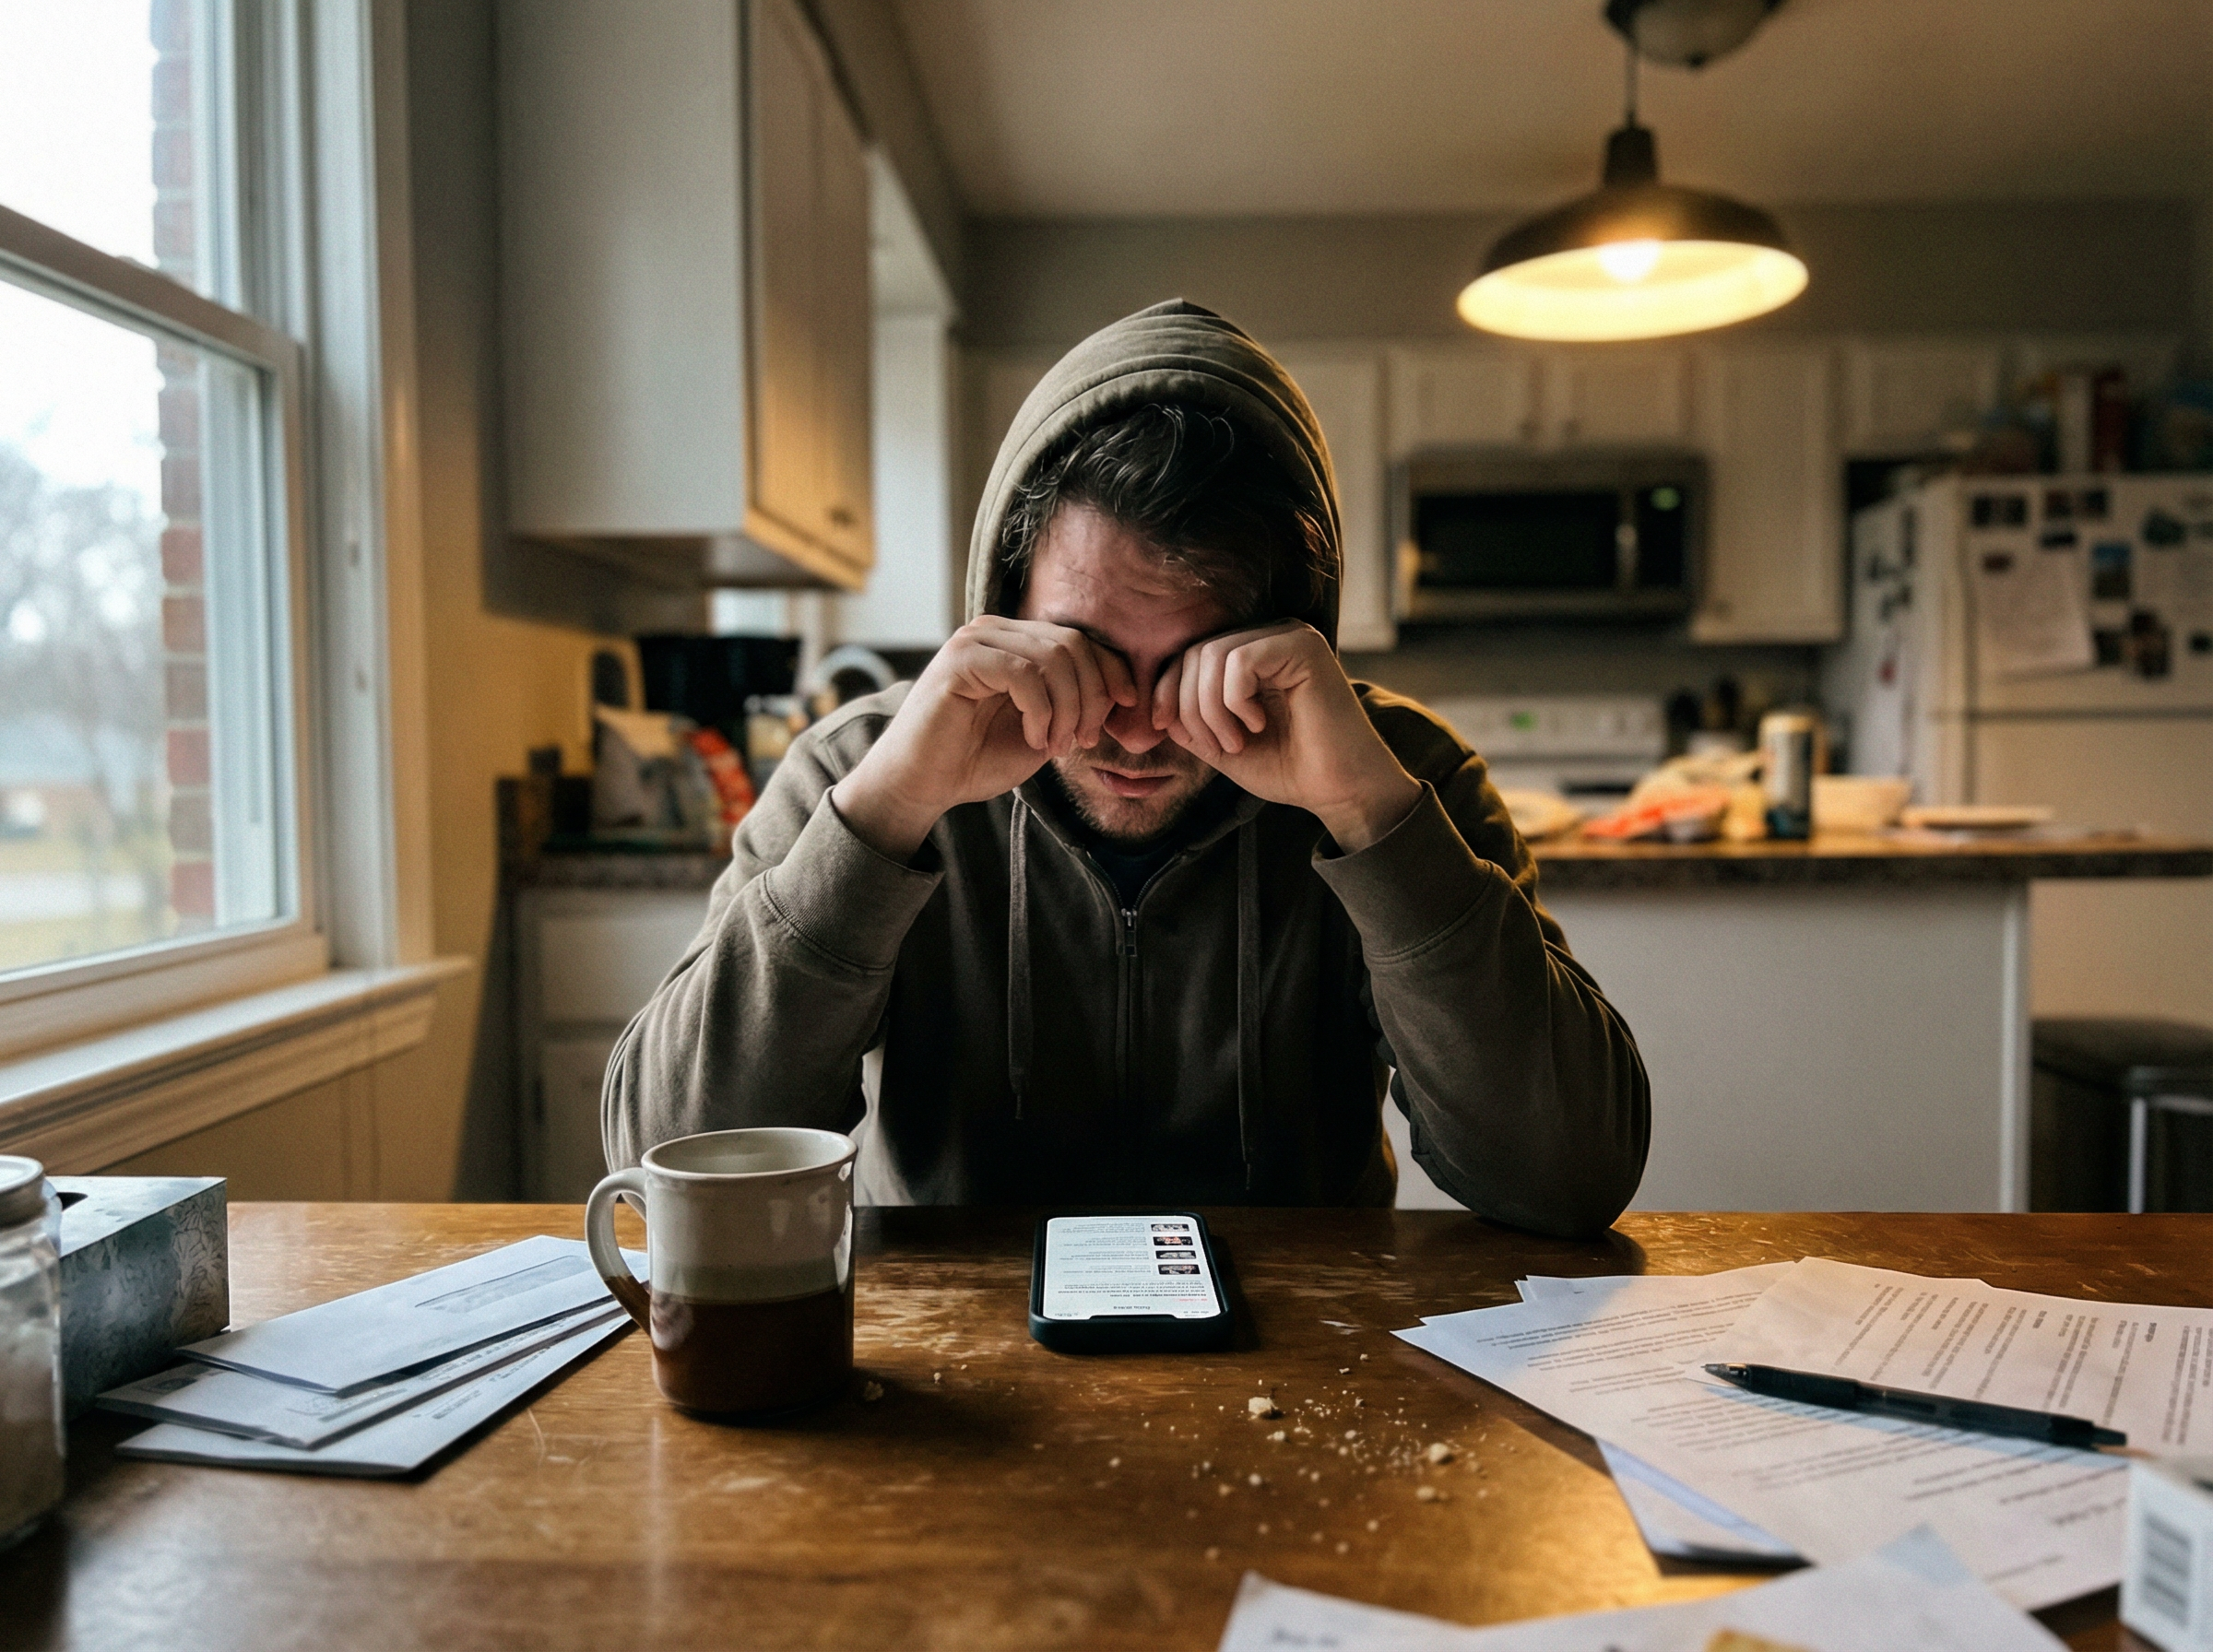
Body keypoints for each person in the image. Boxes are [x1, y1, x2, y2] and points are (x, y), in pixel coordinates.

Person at [603, 300, 1649, 1235]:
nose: (1138, 732)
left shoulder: (1403, 775)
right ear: (1002, 609)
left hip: (1307, 1364)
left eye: (1195, 667)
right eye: (1085, 657)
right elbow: (665, 1162)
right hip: (950, 1376)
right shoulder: (860, 767)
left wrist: (1372, 816)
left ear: (1293, 634)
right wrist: (886, 816)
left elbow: (1566, 1180)